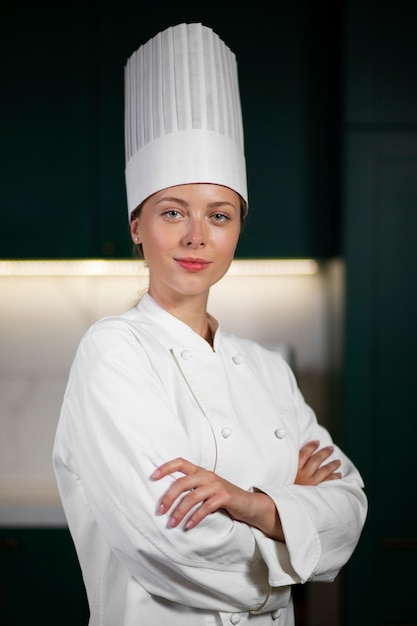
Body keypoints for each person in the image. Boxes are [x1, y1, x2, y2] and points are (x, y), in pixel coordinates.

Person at [53, 22, 367, 626]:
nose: (197, 236)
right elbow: (166, 546)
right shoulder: (113, 352)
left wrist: (243, 503)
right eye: (173, 211)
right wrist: (290, 519)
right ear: (137, 226)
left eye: (218, 215)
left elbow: (348, 508)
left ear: (237, 232)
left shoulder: (268, 367)